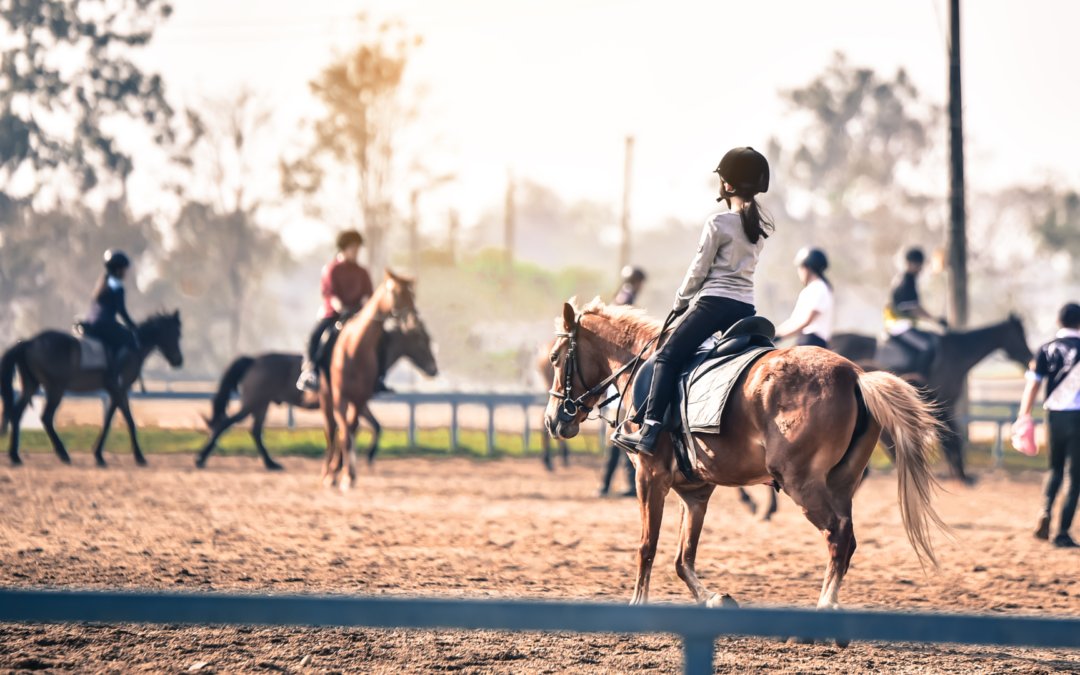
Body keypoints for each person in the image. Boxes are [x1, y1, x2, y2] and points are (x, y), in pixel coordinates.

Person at [613, 147, 771, 455]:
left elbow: (699, 269)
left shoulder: (718, 223)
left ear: (727, 186)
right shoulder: (758, 230)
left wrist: (680, 302)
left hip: (714, 305)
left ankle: (649, 429)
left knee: (667, 357)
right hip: (745, 309)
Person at [1016, 302, 1080, 548]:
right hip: (1079, 417)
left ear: (1058, 322)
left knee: (1054, 469)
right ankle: (1063, 532)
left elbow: (1033, 385)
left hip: (1054, 416)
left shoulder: (1045, 349)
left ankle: (1045, 511)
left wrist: (1024, 415)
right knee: (1074, 476)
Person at [297, 230, 374, 392]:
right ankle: (311, 373)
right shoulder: (331, 269)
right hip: (334, 315)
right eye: (353, 248)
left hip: (357, 316)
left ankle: (377, 376)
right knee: (315, 337)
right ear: (343, 249)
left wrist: (365, 309)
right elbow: (331, 294)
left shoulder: (362, 272)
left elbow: (369, 295)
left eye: (358, 248)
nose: (356, 252)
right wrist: (342, 308)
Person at [596, 266, 646, 497]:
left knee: (620, 432)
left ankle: (609, 484)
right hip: (622, 379)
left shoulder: (622, 296)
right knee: (623, 431)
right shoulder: (626, 298)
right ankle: (615, 484)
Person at [884, 248, 947, 374]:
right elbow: (914, 309)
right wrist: (936, 320)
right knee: (928, 346)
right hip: (899, 326)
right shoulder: (907, 281)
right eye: (919, 265)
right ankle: (918, 379)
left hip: (904, 325)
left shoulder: (906, 279)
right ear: (912, 264)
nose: (921, 269)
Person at [84, 249, 139, 390]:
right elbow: (121, 311)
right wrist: (133, 326)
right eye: (125, 269)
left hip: (91, 322)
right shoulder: (117, 287)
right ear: (118, 269)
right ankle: (114, 376)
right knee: (127, 343)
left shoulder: (102, 283)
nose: (127, 272)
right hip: (104, 324)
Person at [776, 247, 833, 348]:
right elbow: (793, 320)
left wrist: (780, 337)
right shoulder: (808, 290)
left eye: (800, 267)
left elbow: (805, 322)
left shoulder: (819, 288)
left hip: (812, 341)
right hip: (805, 340)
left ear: (807, 268)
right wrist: (773, 333)